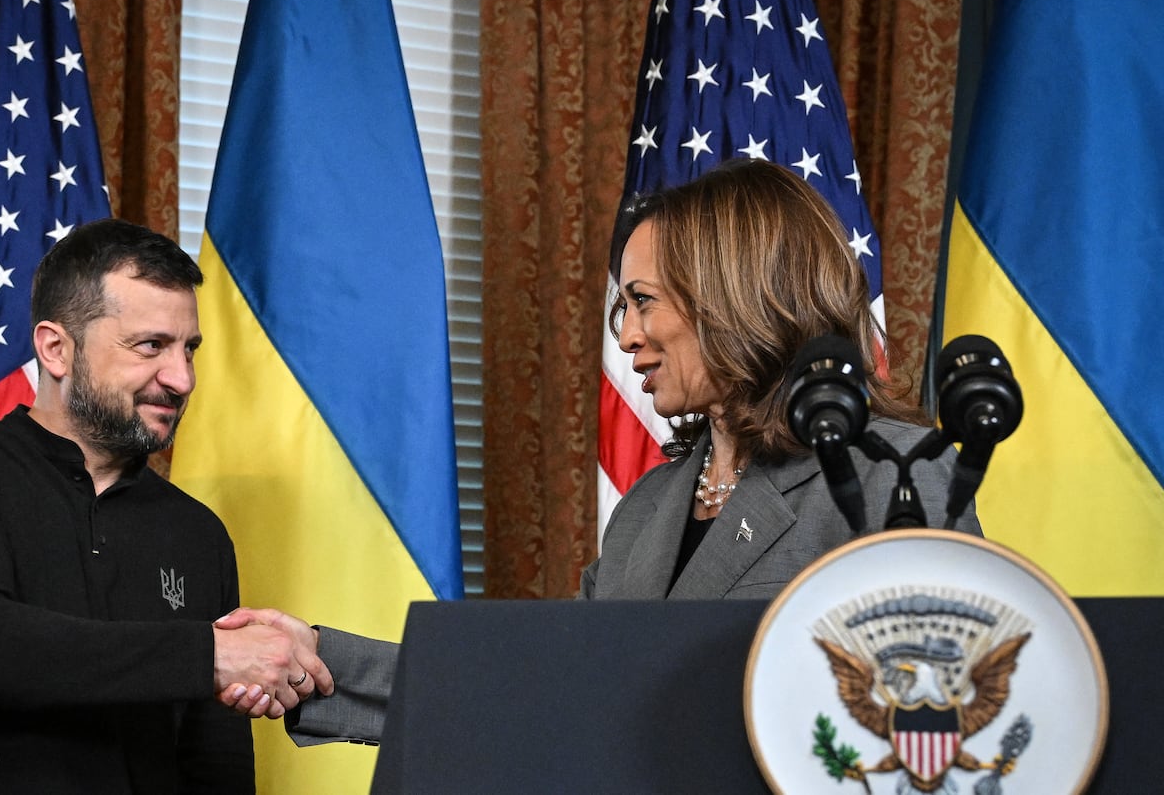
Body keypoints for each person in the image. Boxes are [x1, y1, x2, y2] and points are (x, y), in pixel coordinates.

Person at [223, 157, 983, 741]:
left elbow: (955, 715)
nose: (625, 338)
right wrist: (319, 661)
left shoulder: (891, 472)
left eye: (642, 302)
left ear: (733, 296)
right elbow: (554, 691)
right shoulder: (650, 509)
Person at [0, 219, 333, 794]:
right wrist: (207, 654)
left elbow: (213, 757)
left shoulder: (197, 531)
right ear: (56, 348)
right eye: (151, 346)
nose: (181, 378)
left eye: (188, 349)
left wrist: (232, 660)